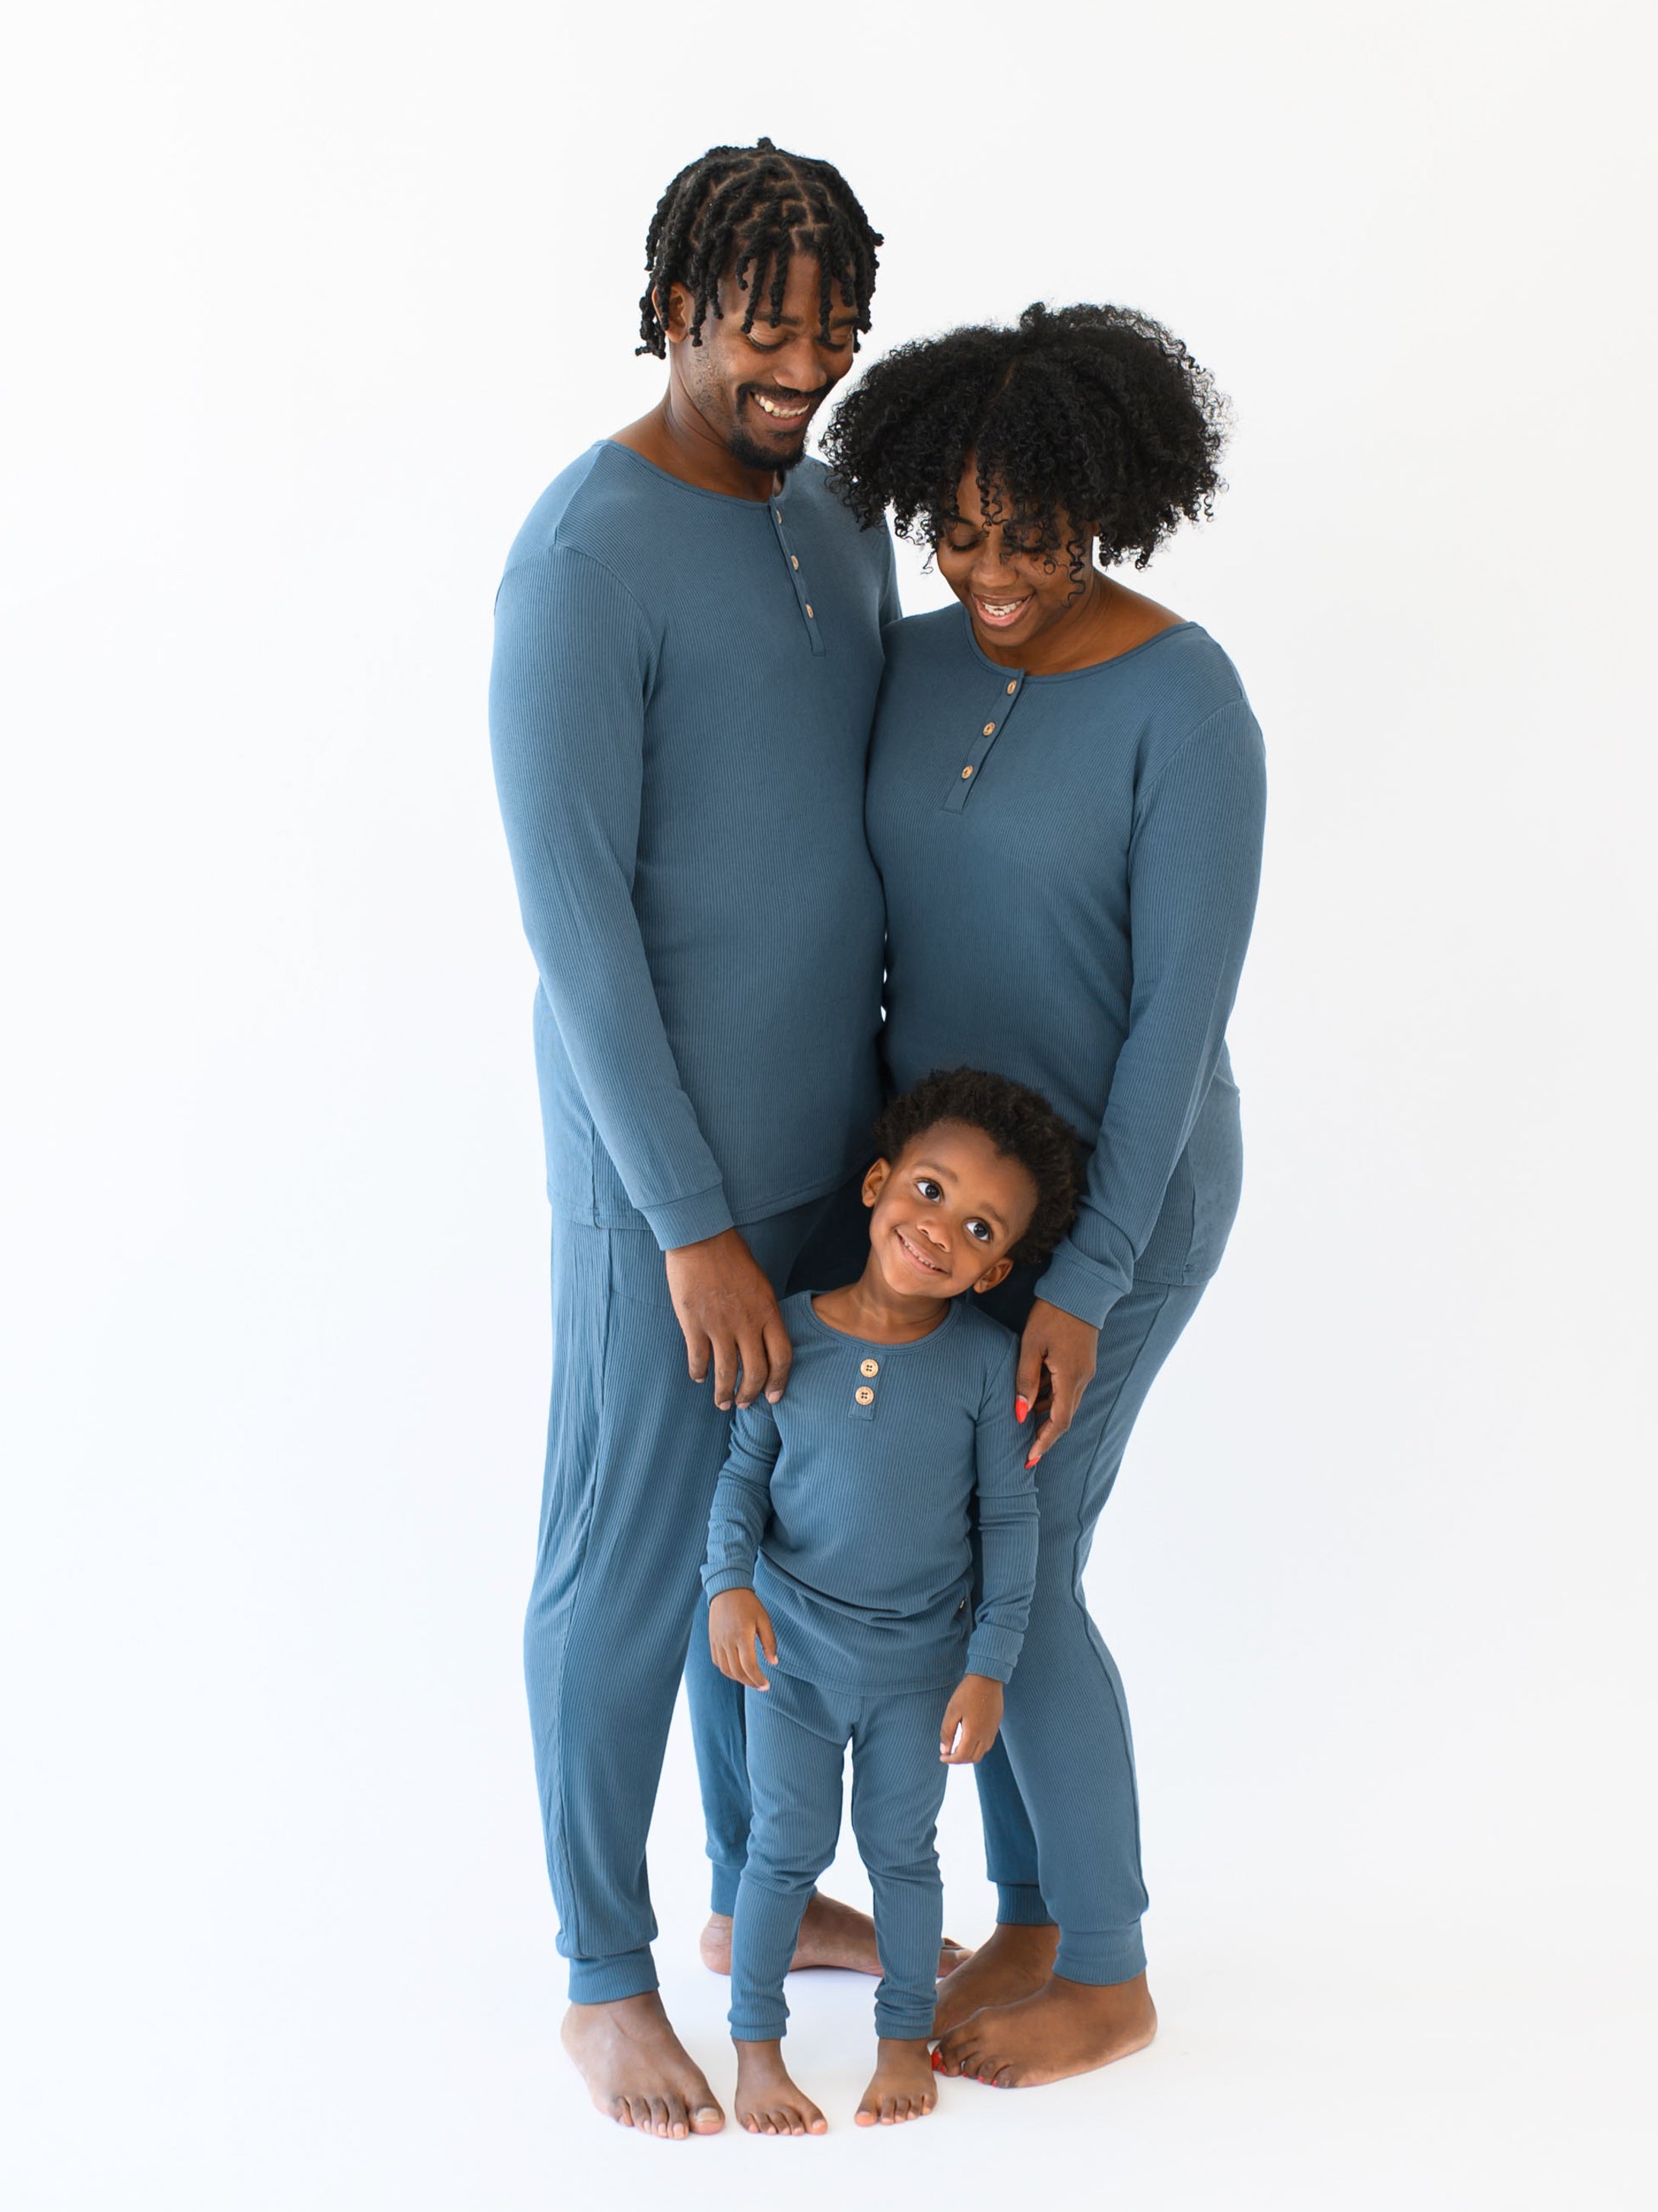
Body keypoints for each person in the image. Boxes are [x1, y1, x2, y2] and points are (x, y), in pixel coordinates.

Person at [488, 138, 901, 2141]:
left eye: (831, 326)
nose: (798, 363)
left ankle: (763, 1891)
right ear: (675, 309)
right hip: (669, 1194)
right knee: (627, 1562)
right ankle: (598, 1969)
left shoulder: (840, 523)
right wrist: (689, 1222)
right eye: (762, 322)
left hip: (833, 1158)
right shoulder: (584, 559)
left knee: (780, 1552)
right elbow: (573, 930)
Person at [822, 301, 1267, 2086]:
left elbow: (1180, 1020)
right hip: (951, 1206)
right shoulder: (916, 663)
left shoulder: (1187, 697)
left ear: (1111, 507)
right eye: (964, 530)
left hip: (1123, 1206)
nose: (995, 571)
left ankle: (1109, 1962)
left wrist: (1083, 1278)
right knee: (969, 1565)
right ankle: (1027, 1911)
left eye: (1038, 534)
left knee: (1031, 1561)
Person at [702, 1070, 1079, 2133]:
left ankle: (902, 2038)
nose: (937, 1230)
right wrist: (728, 1586)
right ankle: (756, 2051)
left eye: (974, 1226)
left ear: (994, 1267)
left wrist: (990, 1665)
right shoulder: (786, 1335)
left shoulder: (982, 1367)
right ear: (875, 1186)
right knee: (783, 1851)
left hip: (919, 1668)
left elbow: (1010, 1525)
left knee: (903, 1855)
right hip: (791, 1658)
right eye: (925, 1190)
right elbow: (740, 1478)